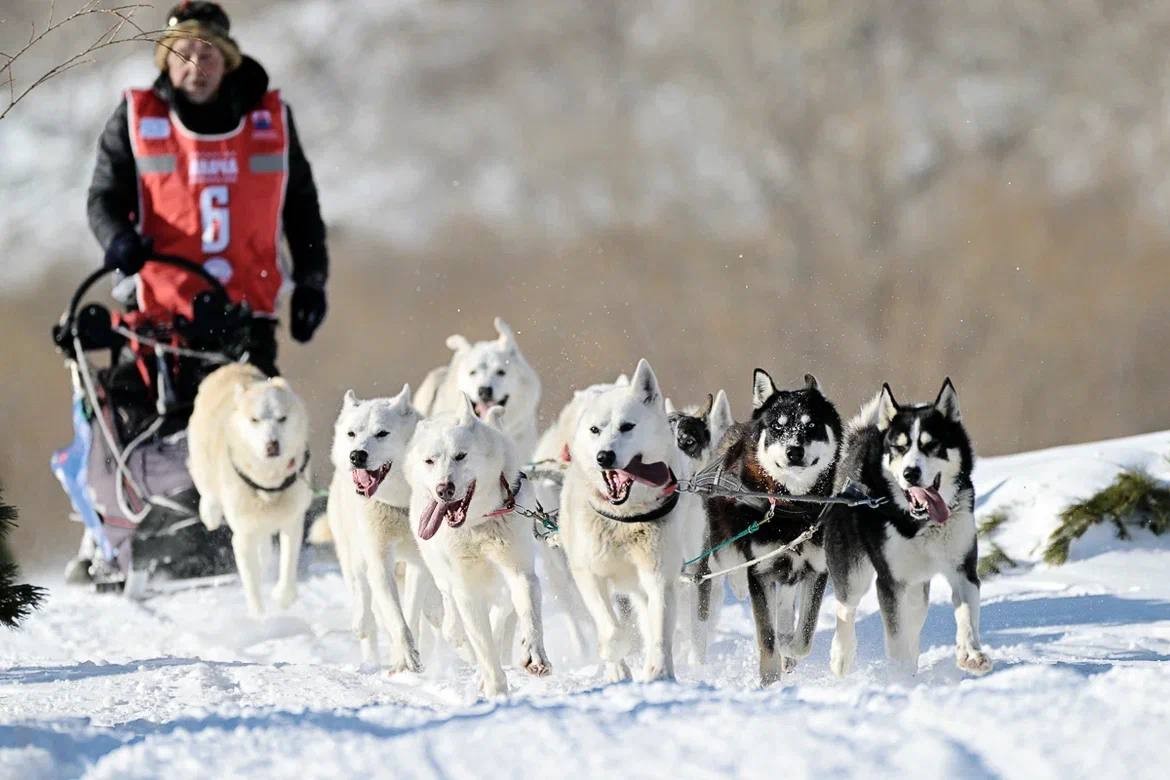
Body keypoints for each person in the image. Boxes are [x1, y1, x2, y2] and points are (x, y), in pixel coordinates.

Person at [86, 1, 328, 376]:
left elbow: (301, 206)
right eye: (182, 53)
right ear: (165, 62)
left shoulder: (271, 121)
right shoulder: (134, 118)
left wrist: (312, 281)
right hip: (161, 311)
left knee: (259, 425)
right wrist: (117, 240)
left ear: (229, 62)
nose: (195, 65)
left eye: (207, 53)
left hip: (248, 314)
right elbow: (104, 196)